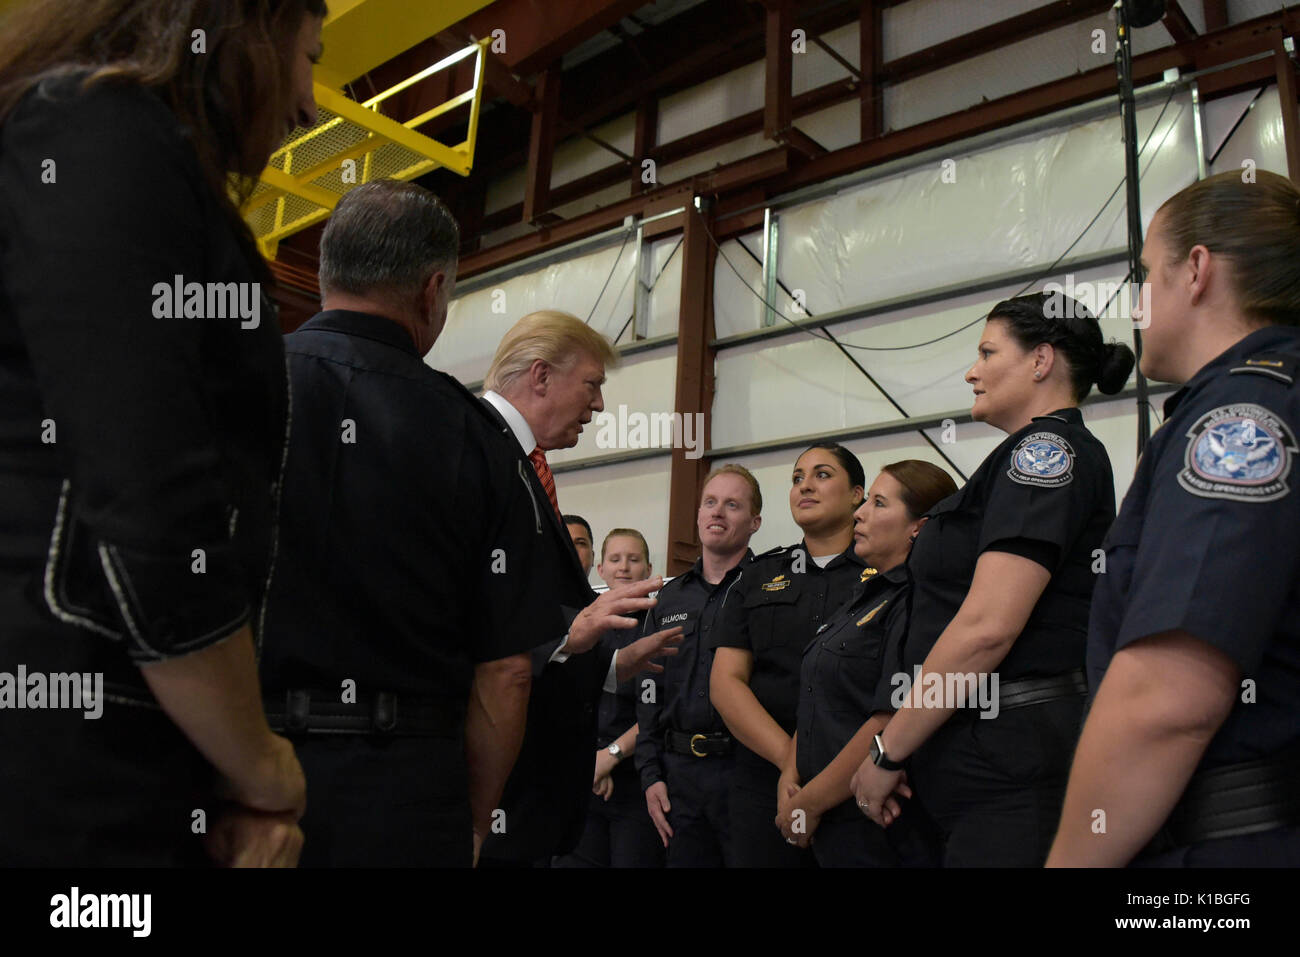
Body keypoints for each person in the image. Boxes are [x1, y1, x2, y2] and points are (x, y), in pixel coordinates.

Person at [0, 0, 324, 867]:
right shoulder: (97, 125)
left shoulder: (97, 137)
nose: (310, 102)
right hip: (73, 740)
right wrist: (260, 763)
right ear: (244, 29)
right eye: (309, 56)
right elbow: (149, 499)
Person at [256, 180, 566, 867]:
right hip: (405, 797)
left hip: (241, 771)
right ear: (432, 291)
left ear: (326, 269)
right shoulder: (479, 437)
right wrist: (474, 820)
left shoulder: (229, 384)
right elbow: (508, 670)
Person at [1048, 170, 1300, 867]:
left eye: (1147, 272)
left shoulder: (1238, 422)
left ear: (1196, 270)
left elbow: (1166, 699)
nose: (1137, 300)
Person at [850, 292, 1134, 867]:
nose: (971, 371)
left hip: (1012, 756)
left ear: (1040, 360)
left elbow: (987, 627)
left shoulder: (1045, 452)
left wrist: (887, 751)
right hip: (980, 755)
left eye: (986, 351)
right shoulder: (1011, 460)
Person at [477, 311, 683, 866]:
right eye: (593, 385)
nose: (598, 406)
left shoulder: (521, 463)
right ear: (541, 376)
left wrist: (610, 665)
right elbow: (473, 616)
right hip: (487, 784)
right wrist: (572, 634)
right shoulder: (478, 452)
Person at [778, 461, 956, 867]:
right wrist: (789, 778)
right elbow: (814, 700)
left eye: (879, 503)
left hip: (872, 822)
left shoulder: (917, 603)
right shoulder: (865, 593)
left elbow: (888, 719)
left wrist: (808, 801)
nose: (859, 513)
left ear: (919, 527)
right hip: (824, 815)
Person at [710, 444, 870, 867]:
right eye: (798, 478)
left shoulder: (884, 574)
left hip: (859, 776)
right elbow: (726, 682)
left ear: (857, 494)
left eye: (822, 475)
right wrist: (790, 761)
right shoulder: (758, 576)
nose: (805, 487)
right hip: (764, 778)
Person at [637, 466, 761, 867]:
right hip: (680, 778)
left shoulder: (770, 592)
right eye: (710, 502)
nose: (718, 512)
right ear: (697, 515)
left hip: (748, 773)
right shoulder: (668, 600)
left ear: (755, 522)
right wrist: (651, 774)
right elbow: (648, 692)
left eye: (732, 504)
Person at [555, 528, 664, 868]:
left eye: (634, 560)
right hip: (584, 777)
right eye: (615, 559)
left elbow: (659, 706)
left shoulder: (657, 624)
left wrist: (611, 755)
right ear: (600, 569)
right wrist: (593, 761)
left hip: (635, 780)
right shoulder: (580, 625)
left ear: (648, 569)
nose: (624, 568)